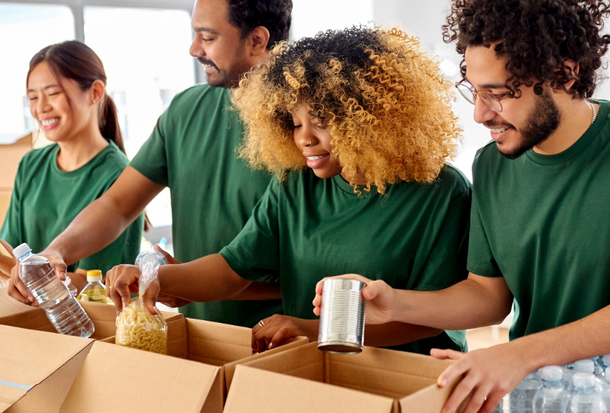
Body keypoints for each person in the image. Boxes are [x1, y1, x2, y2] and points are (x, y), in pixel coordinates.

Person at [314, 1, 610, 412]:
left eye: (497, 95)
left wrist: (517, 355)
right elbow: (487, 294)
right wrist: (395, 303)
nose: (478, 114)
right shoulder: (492, 165)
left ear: (563, 73)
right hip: (539, 398)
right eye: (473, 91)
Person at [106, 25, 470, 356]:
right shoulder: (294, 183)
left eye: (323, 122)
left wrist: (309, 330)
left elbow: (429, 316)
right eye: (295, 123)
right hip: (318, 372)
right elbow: (232, 269)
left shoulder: (440, 192)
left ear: (371, 120)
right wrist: (152, 276)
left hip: (407, 376)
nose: (305, 139)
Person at [6, 0, 292, 328]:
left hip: (281, 338)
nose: (193, 48)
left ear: (257, 40)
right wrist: (57, 251)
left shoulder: (304, 129)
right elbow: (117, 204)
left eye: (207, 37)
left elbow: (312, 270)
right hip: (199, 333)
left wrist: (181, 281)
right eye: (194, 34)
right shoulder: (185, 112)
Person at [0, 40, 144, 279]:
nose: (41, 108)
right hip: (36, 313)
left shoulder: (120, 178)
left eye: (53, 93)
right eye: (33, 98)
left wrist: (4, 264)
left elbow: (90, 288)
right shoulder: (32, 166)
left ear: (96, 93)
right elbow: (10, 271)